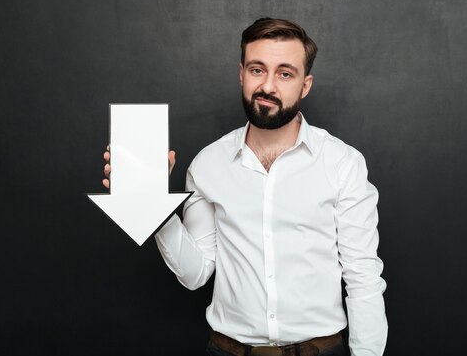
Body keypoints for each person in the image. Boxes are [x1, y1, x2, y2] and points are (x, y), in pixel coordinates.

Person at [103, 18, 388, 355]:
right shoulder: (208, 164)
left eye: (285, 74)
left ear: (305, 85)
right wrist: (152, 203)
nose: (268, 86)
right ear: (242, 74)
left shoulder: (342, 163)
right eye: (257, 70)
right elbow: (195, 275)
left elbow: (363, 277)